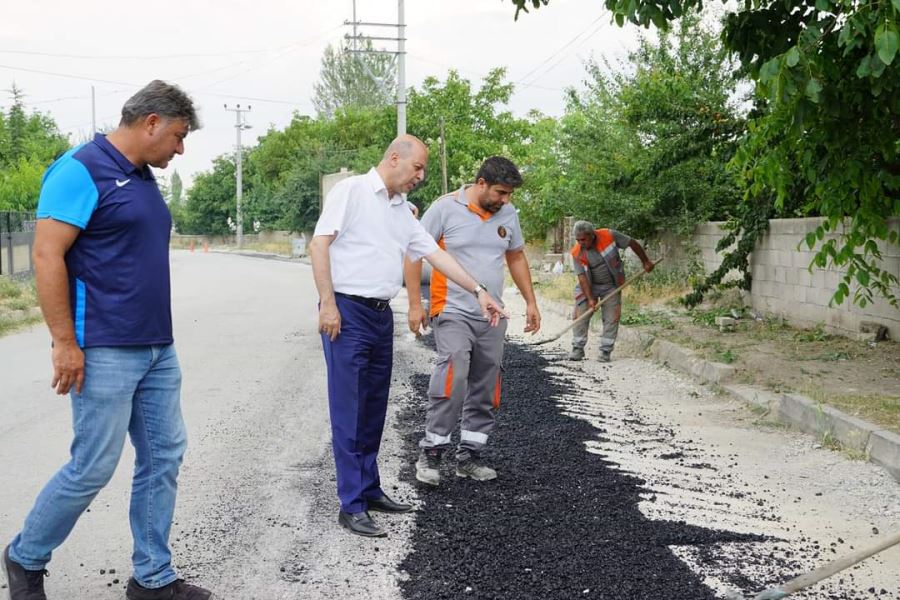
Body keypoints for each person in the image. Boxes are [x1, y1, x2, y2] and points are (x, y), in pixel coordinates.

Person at [2, 81, 215, 600]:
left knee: (164, 456)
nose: (180, 149)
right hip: (102, 346)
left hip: (157, 348)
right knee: (93, 465)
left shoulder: (142, 176)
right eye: (179, 136)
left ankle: (152, 578)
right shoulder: (79, 169)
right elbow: (48, 256)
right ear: (151, 123)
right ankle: (25, 557)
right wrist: (63, 341)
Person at [309, 134, 508, 539]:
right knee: (349, 409)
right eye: (417, 168)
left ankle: (369, 487)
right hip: (346, 313)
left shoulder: (401, 210)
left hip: (381, 316)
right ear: (394, 158)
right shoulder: (352, 191)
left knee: (373, 407)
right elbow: (319, 244)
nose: (421, 176)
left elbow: (436, 256)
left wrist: (479, 291)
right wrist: (327, 303)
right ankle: (351, 504)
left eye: (423, 170)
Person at [405, 157, 541, 486]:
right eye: (500, 192)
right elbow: (413, 252)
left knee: (487, 382)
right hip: (451, 307)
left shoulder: (507, 214)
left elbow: (516, 256)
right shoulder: (443, 209)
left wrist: (531, 301)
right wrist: (413, 304)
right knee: (454, 371)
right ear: (481, 183)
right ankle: (432, 452)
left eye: (509, 194)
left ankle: (469, 455)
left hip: (491, 314)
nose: (505, 200)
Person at [568, 220, 654, 362]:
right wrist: (590, 299)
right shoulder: (577, 252)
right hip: (588, 285)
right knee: (580, 314)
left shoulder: (609, 235)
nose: (580, 243)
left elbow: (632, 243)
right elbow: (582, 277)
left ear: (592, 235)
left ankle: (605, 351)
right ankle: (577, 348)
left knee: (612, 316)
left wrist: (645, 261)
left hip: (612, 285)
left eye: (583, 239)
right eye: (577, 240)